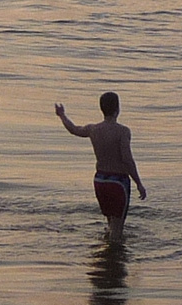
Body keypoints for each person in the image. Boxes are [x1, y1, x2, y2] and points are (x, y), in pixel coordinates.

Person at [55, 92, 146, 242]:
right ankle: (114, 261)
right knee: (117, 229)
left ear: (101, 109)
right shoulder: (123, 131)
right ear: (118, 108)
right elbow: (127, 159)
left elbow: (73, 129)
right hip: (118, 183)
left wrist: (62, 115)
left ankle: (106, 257)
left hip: (100, 181)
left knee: (110, 225)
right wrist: (139, 184)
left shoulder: (93, 129)